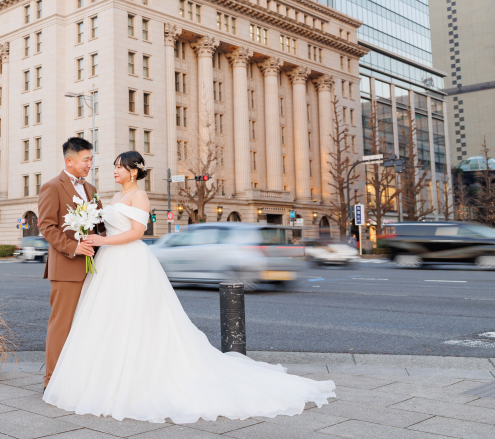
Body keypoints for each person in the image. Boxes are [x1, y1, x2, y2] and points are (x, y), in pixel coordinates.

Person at [42, 151, 336, 424]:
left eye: (120, 167)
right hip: (108, 262)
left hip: (129, 259)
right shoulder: (116, 195)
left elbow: (137, 233)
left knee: (134, 316)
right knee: (107, 317)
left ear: (133, 171)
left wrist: (102, 240)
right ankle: (105, 373)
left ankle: (135, 374)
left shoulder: (140, 196)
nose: (115, 171)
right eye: (115, 167)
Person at [38, 137, 103, 389]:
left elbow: (99, 226)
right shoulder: (52, 187)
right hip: (66, 267)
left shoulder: (92, 190)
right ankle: (51, 380)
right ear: (69, 161)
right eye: (86, 160)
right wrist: (73, 247)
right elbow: (47, 227)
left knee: (86, 325)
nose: (89, 164)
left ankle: (77, 377)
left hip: (93, 268)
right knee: (62, 324)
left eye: (91, 159)